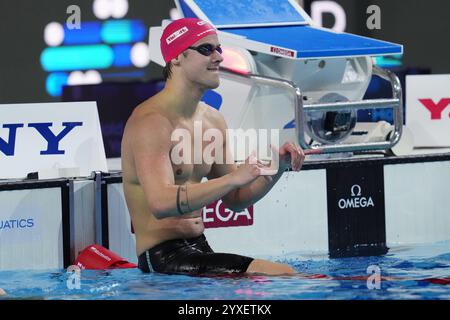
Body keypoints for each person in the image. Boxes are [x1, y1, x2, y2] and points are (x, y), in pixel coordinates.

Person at [121, 18, 310, 276]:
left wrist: (277, 168)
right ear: (177, 57)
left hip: (200, 249)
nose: (219, 57)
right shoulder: (151, 122)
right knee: (281, 273)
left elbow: (235, 200)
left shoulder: (212, 120)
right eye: (207, 49)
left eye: (219, 49)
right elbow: (161, 203)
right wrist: (233, 177)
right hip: (163, 257)